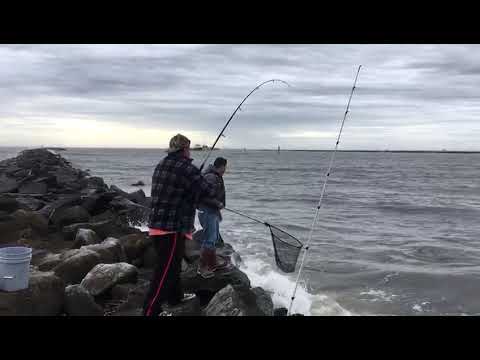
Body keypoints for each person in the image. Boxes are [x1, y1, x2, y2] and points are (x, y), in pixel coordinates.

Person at [143, 134, 216, 316]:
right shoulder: (185, 167)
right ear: (185, 149)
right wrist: (205, 174)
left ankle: (176, 297)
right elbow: (207, 191)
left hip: (156, 224)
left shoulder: (162, 164)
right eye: (188, 148)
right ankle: (149, 310)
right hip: (172, 226)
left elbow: (180, 189)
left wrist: (195, 177)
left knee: (173, 265)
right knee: (165, 270)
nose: (189, 152)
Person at [197, 157, 232, 278]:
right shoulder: (211, 177)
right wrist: (218, 204)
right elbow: (203, 196)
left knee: (214, 237)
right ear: (221, 166)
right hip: (206, 211)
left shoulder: (214, 176)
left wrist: (217, 210)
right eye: (225, 167)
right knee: (209, 238)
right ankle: (202, 267)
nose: (225, 170)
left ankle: (212, 263)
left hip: (212, 211)